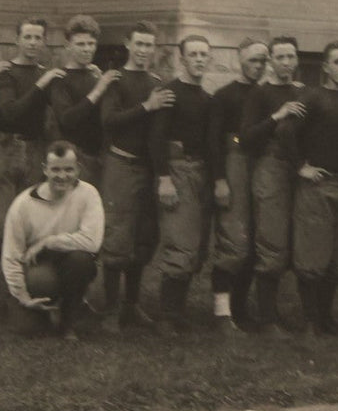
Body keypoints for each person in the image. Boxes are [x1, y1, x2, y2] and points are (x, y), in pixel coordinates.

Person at [0, 17, 63, 315]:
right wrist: (42, 84)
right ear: (17, 39)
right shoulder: (6, 72)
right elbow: (10, 112)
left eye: (38, 37)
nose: (33, 42)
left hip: (34, 150)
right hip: (4, 149)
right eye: (27, 36)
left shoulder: (46, 74)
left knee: (30, 229)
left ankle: (23, 298)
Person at [285, 40, 338, 338]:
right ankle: (310, 322)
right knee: (312, 255)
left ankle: (327, 318)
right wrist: (300, 166)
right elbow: (285, 130)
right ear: (326, 67)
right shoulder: (313, 97)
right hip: (318, 185)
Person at [99, 21, 171, 330]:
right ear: (128, 44)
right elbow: (109, 121)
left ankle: (132, 305)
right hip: (121, 165)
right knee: (117, 236)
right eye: (139, 44)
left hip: (148, 169)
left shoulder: (157, 81)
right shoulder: (116, 80)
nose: (143, 51)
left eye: (149, 46)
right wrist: (146, 106)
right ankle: (111, 310)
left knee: (144, 237)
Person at [1, 140, 105, 341]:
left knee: (81, 260)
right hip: (36, 269)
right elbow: (11, 256)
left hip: (69, 262)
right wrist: (22, 296)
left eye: (69, 169)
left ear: (78, 169)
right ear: (45, 170)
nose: (62, 176)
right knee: (28, 329)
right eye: (55, 169)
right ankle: (36, 309)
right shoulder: (23, 204)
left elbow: (92, 242)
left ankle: (68, 319)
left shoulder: (88, 194)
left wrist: (48, 242)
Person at [239, 36, 306, 338]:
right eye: (280, 57)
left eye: (291, 57)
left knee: (297, 242)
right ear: (271, 61)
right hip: (270, 168)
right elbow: (246, 137)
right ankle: (266, 319)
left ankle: (283, 314)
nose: (287, 63)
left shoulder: (304, 92)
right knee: (271, 241)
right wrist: (277, 116)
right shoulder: (260, 94)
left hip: (298, 171)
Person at [150, 34, 215, 333]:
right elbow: (156, 139)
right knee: (181, 244)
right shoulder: (169, 93)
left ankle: (177, 312)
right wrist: (164, 179)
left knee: (197, 247)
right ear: (182, 57)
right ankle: (165, 315)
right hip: (176, 171)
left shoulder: (206, 98)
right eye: (194, 54)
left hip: (200, 172)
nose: (199, 59)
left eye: (204, 54)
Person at [206, 38, 269, 333]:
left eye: (262, 61)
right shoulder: (225, 96)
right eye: (252, 61)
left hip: (263, 166)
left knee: (257, 242)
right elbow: (215, 142)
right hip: (234, 164)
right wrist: (220, 180)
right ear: (240, 61)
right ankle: (222, 312)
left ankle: (241, 309)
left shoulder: (266, 94)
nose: (257, 66)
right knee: (234, 241)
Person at [49, 14, 118, 186]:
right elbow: (67, 119)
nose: (87, 49)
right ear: (68, 46)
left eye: (91, 44)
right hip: (72, 159)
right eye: (80, 44)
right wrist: (99, 89)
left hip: (100, 158)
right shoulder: (60, 78)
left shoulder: (96, 75)